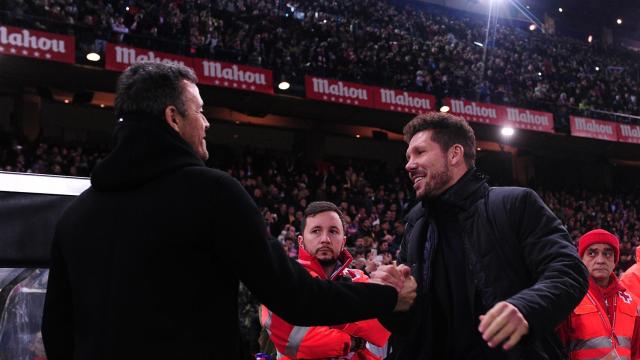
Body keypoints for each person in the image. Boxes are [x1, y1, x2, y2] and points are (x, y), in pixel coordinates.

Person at [40, 63, 416, 360]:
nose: (206, 123)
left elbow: (56, 328)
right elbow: (296, 298)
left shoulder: (77, 214)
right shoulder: (211, 194)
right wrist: (385, 297)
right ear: (173, 118)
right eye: (200, 112)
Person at [374, 112, 589, 359]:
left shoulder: (515, 204)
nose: (409, 165)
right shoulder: (416, 223)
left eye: (420, 152)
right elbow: (413, 325)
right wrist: (395, 302)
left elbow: (569, 271)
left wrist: (525, 308)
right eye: (408, 156)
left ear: (454, 154)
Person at [260, 201, 392, 359]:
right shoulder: (284, 279)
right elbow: (295, 340)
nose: (325, 239)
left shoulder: (357, 277)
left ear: (343, 242)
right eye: (316, 231)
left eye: (333, 231)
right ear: (301, 241)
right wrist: (353, 341)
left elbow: (381, 328)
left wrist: (317, 316)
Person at [557, 229, 640, 359]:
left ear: (614, 261)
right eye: (592, 253)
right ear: (581, 259)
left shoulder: (631, 302)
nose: (600, 260)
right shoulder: (568, 297)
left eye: (607, 254)